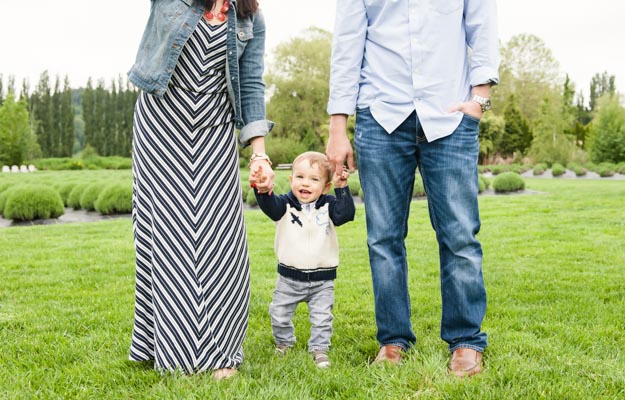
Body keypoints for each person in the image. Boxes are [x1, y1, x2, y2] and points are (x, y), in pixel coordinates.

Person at [326, 0, 500, 377]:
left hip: (449, 114)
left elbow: (482, 24)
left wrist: (480, 98)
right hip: (381, 113)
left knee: (459, 236)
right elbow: (348, 43)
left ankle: (466, 340)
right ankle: (393, 340)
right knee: (383, 238)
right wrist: (337, 127)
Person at [127, 0, 275, 379]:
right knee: (168, 238)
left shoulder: (249, 17)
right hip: (161, 125)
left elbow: (251, 83)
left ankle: (223, 352)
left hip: (214, 130)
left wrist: (259, 155)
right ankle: (170, 348)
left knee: (223, 244)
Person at [252, 152, 355, 368]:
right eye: (300, 177)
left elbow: (344, 215)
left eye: (314, 179)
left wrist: (342, 187)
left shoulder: (329, 205)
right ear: (291, 180)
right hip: (289, 279)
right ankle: (284, 343)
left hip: (322, 281)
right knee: (279, 314)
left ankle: (319, 349)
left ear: (326, 187)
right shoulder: (284, 206)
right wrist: (262, 189)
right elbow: (269, 206)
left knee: (322, 319)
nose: (305, 183)